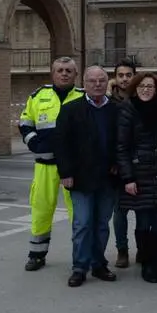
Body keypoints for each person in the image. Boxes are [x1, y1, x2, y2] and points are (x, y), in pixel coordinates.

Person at [54, 66, 120, 288]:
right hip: (80, 179)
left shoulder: (117, 109)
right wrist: (65, 173)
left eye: (102, 80)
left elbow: (123, 142)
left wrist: (118, 165)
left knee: (102, 224)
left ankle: (98, 264)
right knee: (82, 224)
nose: (97, 84)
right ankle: (79, 267)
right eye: (92, 80)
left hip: (108, 178)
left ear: (107, 82)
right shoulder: (71, 109)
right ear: (84, 82)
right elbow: (61, 144)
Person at [17, 57, 83, 271]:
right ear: (52, 73)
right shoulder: (38, 96)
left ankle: (80, 256)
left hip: (74, 167)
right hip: (45, 166)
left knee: (78, 213)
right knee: (41, 209)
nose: (64, 74)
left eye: (69, 70)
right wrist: (34, 143)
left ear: (76, 74)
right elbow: (25, 123)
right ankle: (37, 255)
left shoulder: (84, 97)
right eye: (60, 70)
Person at [116, 72, 157, 283]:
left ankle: (155, 263)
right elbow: (121, 147)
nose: (146, 89)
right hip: (139, 173)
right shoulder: (128, 110)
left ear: (156, 89)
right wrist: (128, 178)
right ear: (135, 88)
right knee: (143, 221)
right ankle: (146, 263)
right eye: (142, 86)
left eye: (150, 86)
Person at [110, 59, 138, 269]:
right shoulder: (108, 103)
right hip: (117, 166)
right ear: (116, 78)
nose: (125, 78)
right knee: (119, 212)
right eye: (121, 75)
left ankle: (143, 248)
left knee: (142, 210)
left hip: (141, 164)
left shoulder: (142, 99)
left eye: (129, 75)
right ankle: (122, 250)